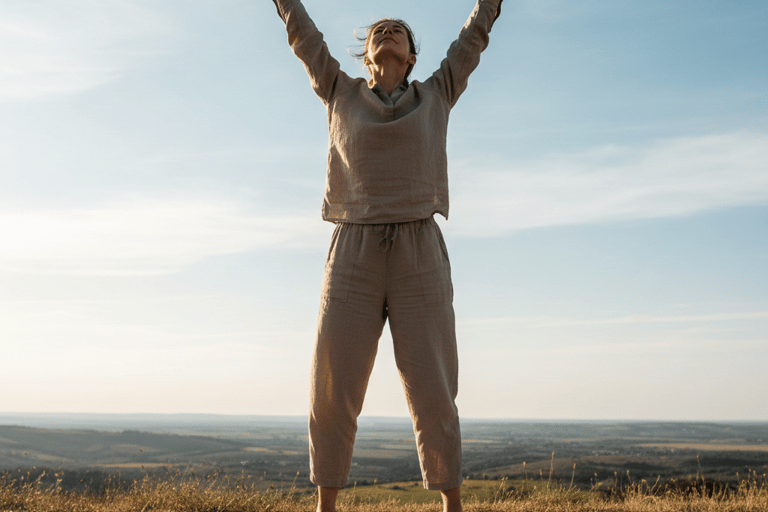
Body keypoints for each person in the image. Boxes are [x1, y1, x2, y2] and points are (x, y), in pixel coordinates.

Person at [270, 1, 503, 511]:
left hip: (420, 249)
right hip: (352, 249)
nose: (390, 31)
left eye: (399, 31)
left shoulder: (436, 93)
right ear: (367, 56)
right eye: (380, 30)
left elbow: (470, 42)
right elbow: (305, 38)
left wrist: (489, 6)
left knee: (434, 386)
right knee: (333, 382)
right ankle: (326, 505)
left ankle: (452, 506)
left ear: (412, 57)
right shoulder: (339, 90)